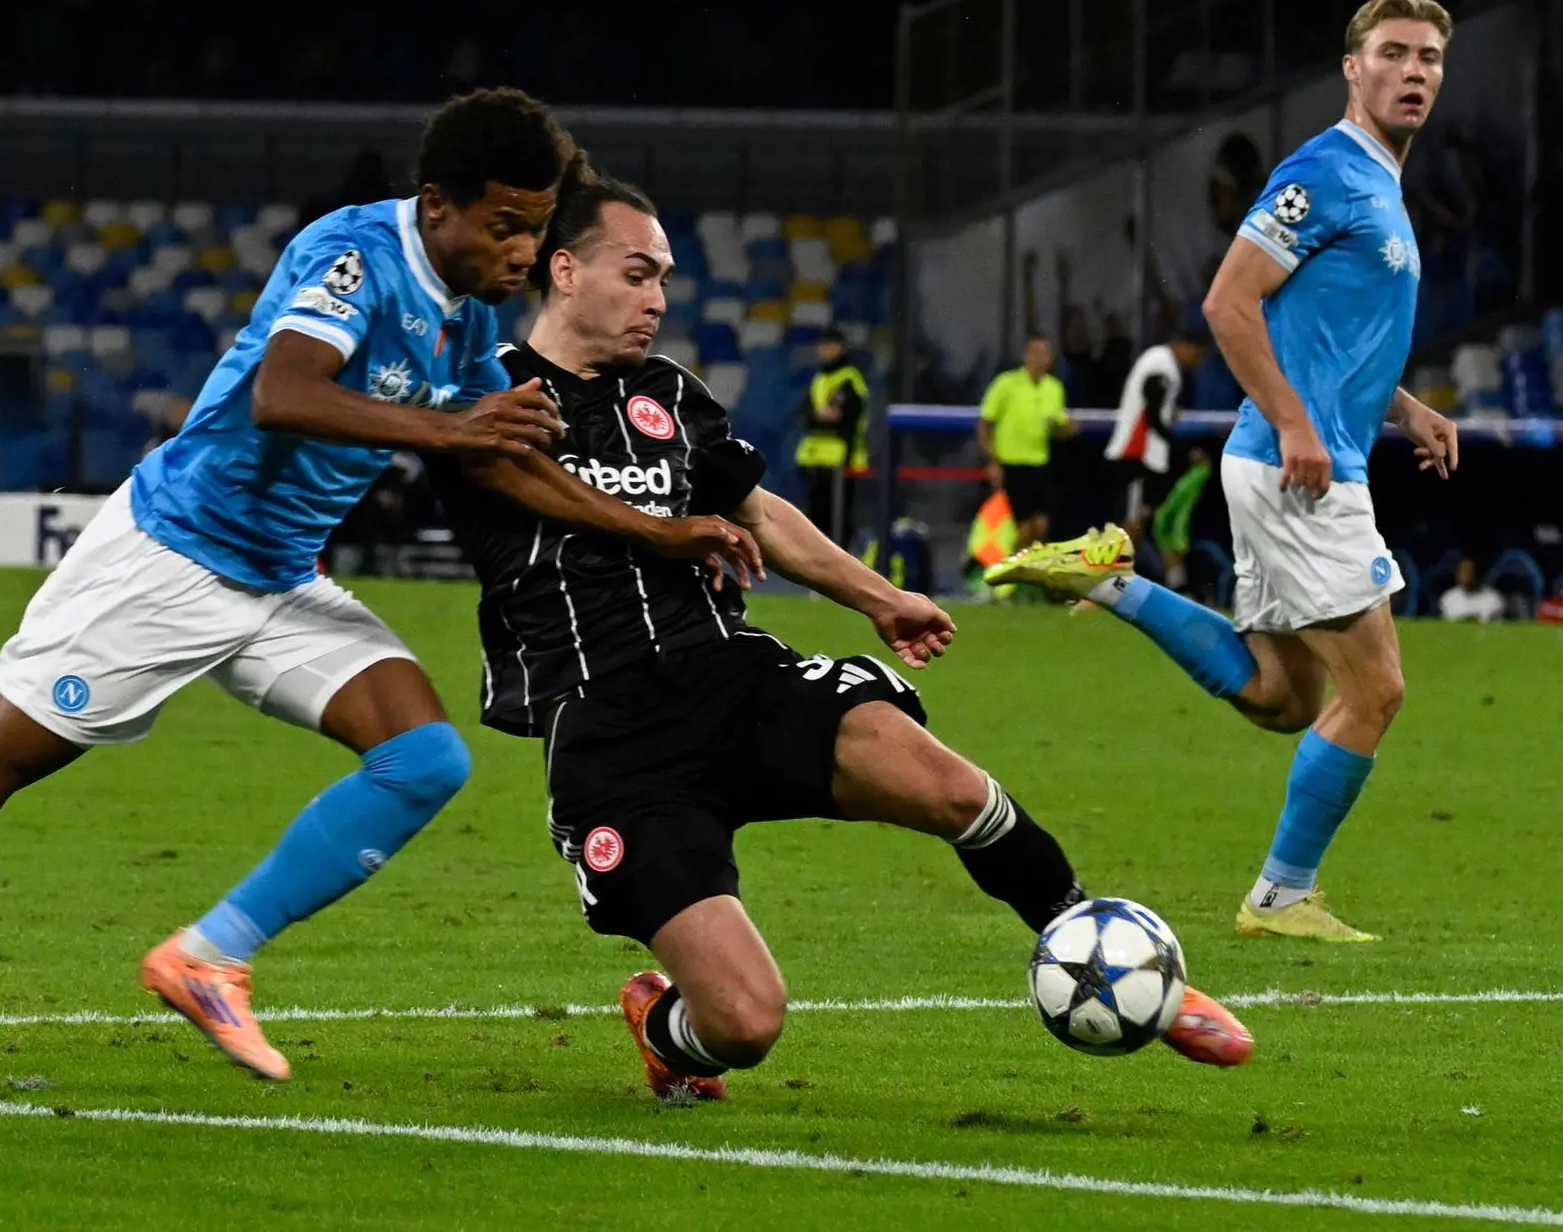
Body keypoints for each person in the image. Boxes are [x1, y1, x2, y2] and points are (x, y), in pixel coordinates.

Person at [0, 89, 760, 1087]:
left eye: (535, 227)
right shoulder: (354, 255)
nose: (522, 251)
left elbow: (496, 458)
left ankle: (210, 954)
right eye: (504, 225)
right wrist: (447, 427)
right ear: (437, 207)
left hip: (277, 581)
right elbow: (285, 394)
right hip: (171, 556)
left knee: (423, 757)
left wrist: (660, 531)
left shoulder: (466, 318)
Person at [429, 164, 1252, 1102]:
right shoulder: (486, 395)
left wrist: (878, 596)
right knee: (744, 1023)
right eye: (636, 273)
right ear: (565, 269)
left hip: (730, 679)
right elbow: (503, 474)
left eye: (663, 278)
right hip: (611, 734)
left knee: (953, 788)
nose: (655, 298)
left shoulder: (671, 395)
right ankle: (665, 1027)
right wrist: (666, 531)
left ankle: (1114, 960)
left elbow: (761, 512)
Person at [987, 0, 1460, 943]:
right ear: (1351, 69)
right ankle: (1280, 897)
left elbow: (1328, 337)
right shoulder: (1322, 171)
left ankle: (1111, 583)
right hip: (1300, 469)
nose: (1412, 72)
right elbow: (1226, 302)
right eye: (1392, 53)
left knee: (1283, 697)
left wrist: (1403, 407)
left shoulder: (1377, 181)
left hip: (1297, 458)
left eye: (1428, 58)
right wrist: (1293, 423)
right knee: (1375, 689)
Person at [1102, 329, 1209, 586]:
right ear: (1185, 347)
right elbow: (1153, 417)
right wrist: (1186, 450)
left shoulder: (1161, 363)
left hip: (1148, 456)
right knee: (1131, 521)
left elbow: (1155, 408)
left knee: (1144, 518)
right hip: (1136, 454)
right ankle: (1106, 580)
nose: (1199, 362)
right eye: (1198, 354)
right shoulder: (1162, 367)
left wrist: (1170, 412)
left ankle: (1126, 580)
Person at [977, 335, 1076, 549]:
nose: (1039, 359)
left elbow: (1055, 427)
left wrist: (1067, 430)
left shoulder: (1054, 388)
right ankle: (1011, 565)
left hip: (1040, 465)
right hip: (1012, 465)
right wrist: (992, 461)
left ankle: (1029, 567)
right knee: (1021, 529)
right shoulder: (1006, 384)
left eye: (1044, 354)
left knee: (1041, 527)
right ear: (1026, 356)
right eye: (1035, 353)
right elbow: (984, 424)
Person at [793, 327, 869, 547]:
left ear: (841, 348)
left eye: (830, 345)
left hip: (841, 458)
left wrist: (821, 416)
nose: (824, 350)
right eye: (822, 345)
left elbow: (843, 416)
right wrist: (819, 416)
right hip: (815, 459)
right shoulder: (820, 378)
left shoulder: (849, 378)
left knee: (838, 519)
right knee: (816, 517)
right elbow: (806, 414)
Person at [1437, 557, 1505, 623]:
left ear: (1477, 574)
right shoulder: (1448, 598)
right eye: (1462, 571)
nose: (1466, 575)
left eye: (1469, 571)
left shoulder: (1494, 599)